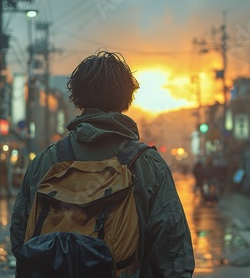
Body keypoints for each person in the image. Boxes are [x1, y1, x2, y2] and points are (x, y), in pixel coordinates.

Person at [10, 50, 195, 277]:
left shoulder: (46, 160)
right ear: (126, 99)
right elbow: (173, 252)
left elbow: (20, 236)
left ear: (77, 97)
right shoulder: (147, 164)